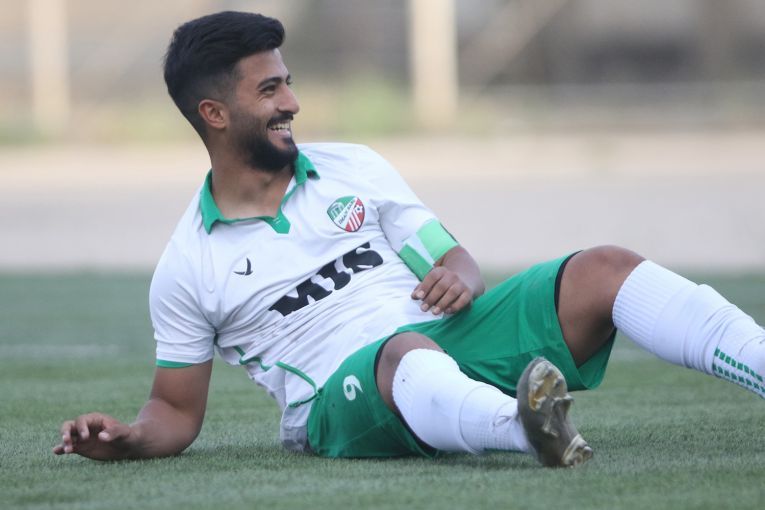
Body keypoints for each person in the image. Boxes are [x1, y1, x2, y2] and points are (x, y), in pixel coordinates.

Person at [53, 11, 765, 467]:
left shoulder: (353, 166)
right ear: (213, 113)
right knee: (404, 354)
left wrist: (463, 275)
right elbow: (176, 411)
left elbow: (450, 257)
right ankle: (526, 428)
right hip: (343, 401)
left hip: (445, 342)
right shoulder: (187, 265)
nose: (291, 102)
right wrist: (128, 438)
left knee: (604, 267)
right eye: (268, 90)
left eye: (288, 82)